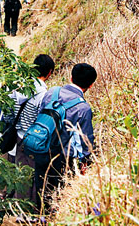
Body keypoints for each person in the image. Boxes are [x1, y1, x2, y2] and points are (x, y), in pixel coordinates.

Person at [34, 63, 97, 213]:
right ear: (91, 85)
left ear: (71, 77)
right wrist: (86, 163)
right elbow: (86, 140)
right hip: (63, 157)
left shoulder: (51, 92)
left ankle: (40, 222)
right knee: (58, 194)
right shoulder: (83, 108)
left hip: (41, 147)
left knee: (42, 190)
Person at [10, 54, 55, 203]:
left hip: (18, 135)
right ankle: (22, 211)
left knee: (19, 172)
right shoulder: (43, 94)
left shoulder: (21, 87)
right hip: (30, 139)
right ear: (49, 72)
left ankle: (16, 205)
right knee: (28, 176)